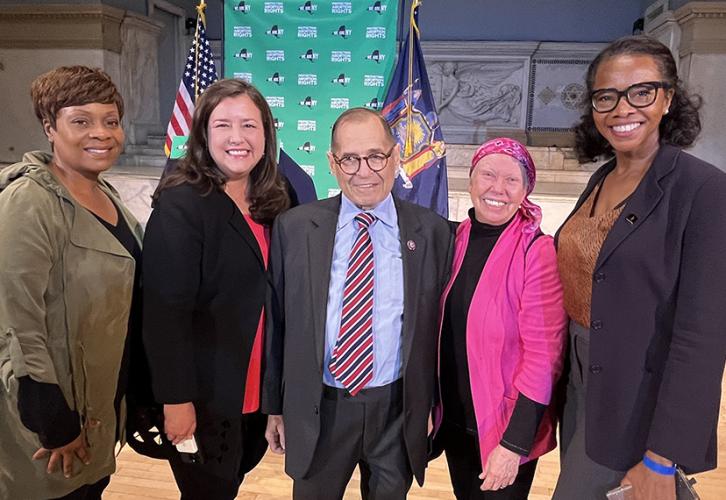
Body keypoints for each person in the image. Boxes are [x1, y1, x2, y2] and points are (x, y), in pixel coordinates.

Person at [552, 35, 726, 500]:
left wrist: (662, 456)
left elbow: (702, 338)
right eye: (606, 96)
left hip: (637, 397)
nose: (622, 108)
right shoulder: (603, 175)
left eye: (641, 91)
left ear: (668, 98)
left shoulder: (703, 190)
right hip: (582, 384)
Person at [262, 107, 454, 499]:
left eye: (375, 156)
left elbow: (440, 329)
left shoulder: (432, 231)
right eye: (349, 158)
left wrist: (433, 405)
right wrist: (275, 405)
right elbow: (277, 324)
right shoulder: (295, 228)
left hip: (396, 411)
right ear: (332, 163)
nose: (364, 170)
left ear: (395, 156)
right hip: (321, 407)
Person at [142, 79, 289, 499]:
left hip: (258, 391)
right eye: (223, 125)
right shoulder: (182, 203)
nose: (237, 137)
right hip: (203, 397)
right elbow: (164, 314)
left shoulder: (278, 198)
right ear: (204, 134)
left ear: (266, 134)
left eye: (249, 125)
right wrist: (175, 401)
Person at [0, 65, 142, 499]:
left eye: (110, 121)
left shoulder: (105, 193)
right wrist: (53, 425)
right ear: (49, 127)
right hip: (51, 426)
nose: (101, 133)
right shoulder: (28, 203)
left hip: (96, 409)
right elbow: (16, 324)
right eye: (81, 121)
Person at [433, 138, 567, 499]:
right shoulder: (454, 238)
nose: (498, 188)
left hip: (503, 430)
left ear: (526, 190)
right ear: (471, 180)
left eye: (512, 180)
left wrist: (514, 444)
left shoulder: (536, 251)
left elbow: (544, 359)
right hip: (457, 420)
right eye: (488, 175)